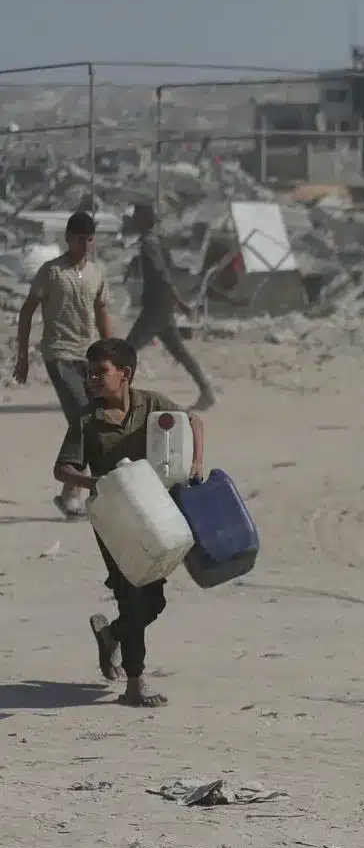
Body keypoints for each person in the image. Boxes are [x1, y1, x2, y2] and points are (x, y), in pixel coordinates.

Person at [54, 338, 204, 708]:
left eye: (100, 372)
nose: (91, 379)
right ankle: (135, 684)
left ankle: (111, 636)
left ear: (125, 374)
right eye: (89, 373)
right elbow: (63, 469)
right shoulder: (87, 420)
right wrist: (95, 483)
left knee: (154, 601)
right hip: (115, 521)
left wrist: (197, 461)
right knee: (131, 595)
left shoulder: (151, 405)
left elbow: (194, 419)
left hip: (154, 515)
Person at [15, 211, 114, 518]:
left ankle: (73, 491)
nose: (82, 245)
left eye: (87, 240)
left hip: (89, 355)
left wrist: (113, 356)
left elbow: (102, 314)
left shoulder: (97, 273)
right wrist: (22, 357)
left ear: (92, 241)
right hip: (58, 353)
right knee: (83, 416)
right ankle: (74, 489)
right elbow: (27, 311)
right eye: (76, 239)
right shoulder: (52, 272)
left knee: (94, 418)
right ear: (67, 239)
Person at [124, 202, 216, 412]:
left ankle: (113, 396)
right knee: (179, 351)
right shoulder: (157, 240)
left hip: (156, 307)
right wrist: (177, 303)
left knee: (126, 350)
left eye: (137, 217)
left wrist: (180, 302)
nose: (134, 221)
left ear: (144, 220)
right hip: (162, 306)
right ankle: (207, 391)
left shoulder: (149, 243)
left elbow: (163, 276)